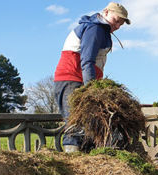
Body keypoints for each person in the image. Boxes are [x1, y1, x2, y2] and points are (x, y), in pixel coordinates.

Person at [53, 2, 131, 152]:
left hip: (77, 80)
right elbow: (87, 60)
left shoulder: (101, 30)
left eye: (121, 23)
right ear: (106, 12)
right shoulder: (95, 28)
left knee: (87, 126)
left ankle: (87, 162)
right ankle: (74, 162)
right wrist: (91, 89)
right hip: (73, 80)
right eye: (117, 20)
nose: (118, 26)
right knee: (76, 124)